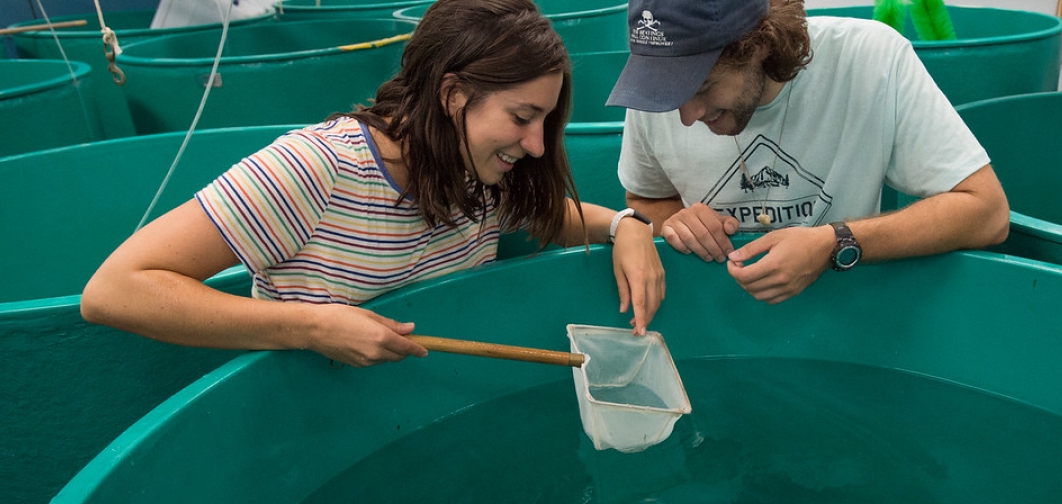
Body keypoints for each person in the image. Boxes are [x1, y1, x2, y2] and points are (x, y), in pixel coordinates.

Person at [81, 0, 663, 367]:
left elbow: (548, 215)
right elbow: (114, 291)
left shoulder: (478, 171)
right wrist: (309, 327)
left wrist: (624, 225)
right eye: (520, 117)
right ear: (453, 94)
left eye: (545, 120)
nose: (536, 145)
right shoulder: (317, 168)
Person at [607, 0, 1009, 304]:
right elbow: (646, 197)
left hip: (846, 315)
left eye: (703, 88)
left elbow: (988, 213)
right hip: (721, 318)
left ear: (759, 44)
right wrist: (674, 221)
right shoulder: (657, 99)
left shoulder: (870, 61)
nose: (686, 115)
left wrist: (833, 243)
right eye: (667, 92)